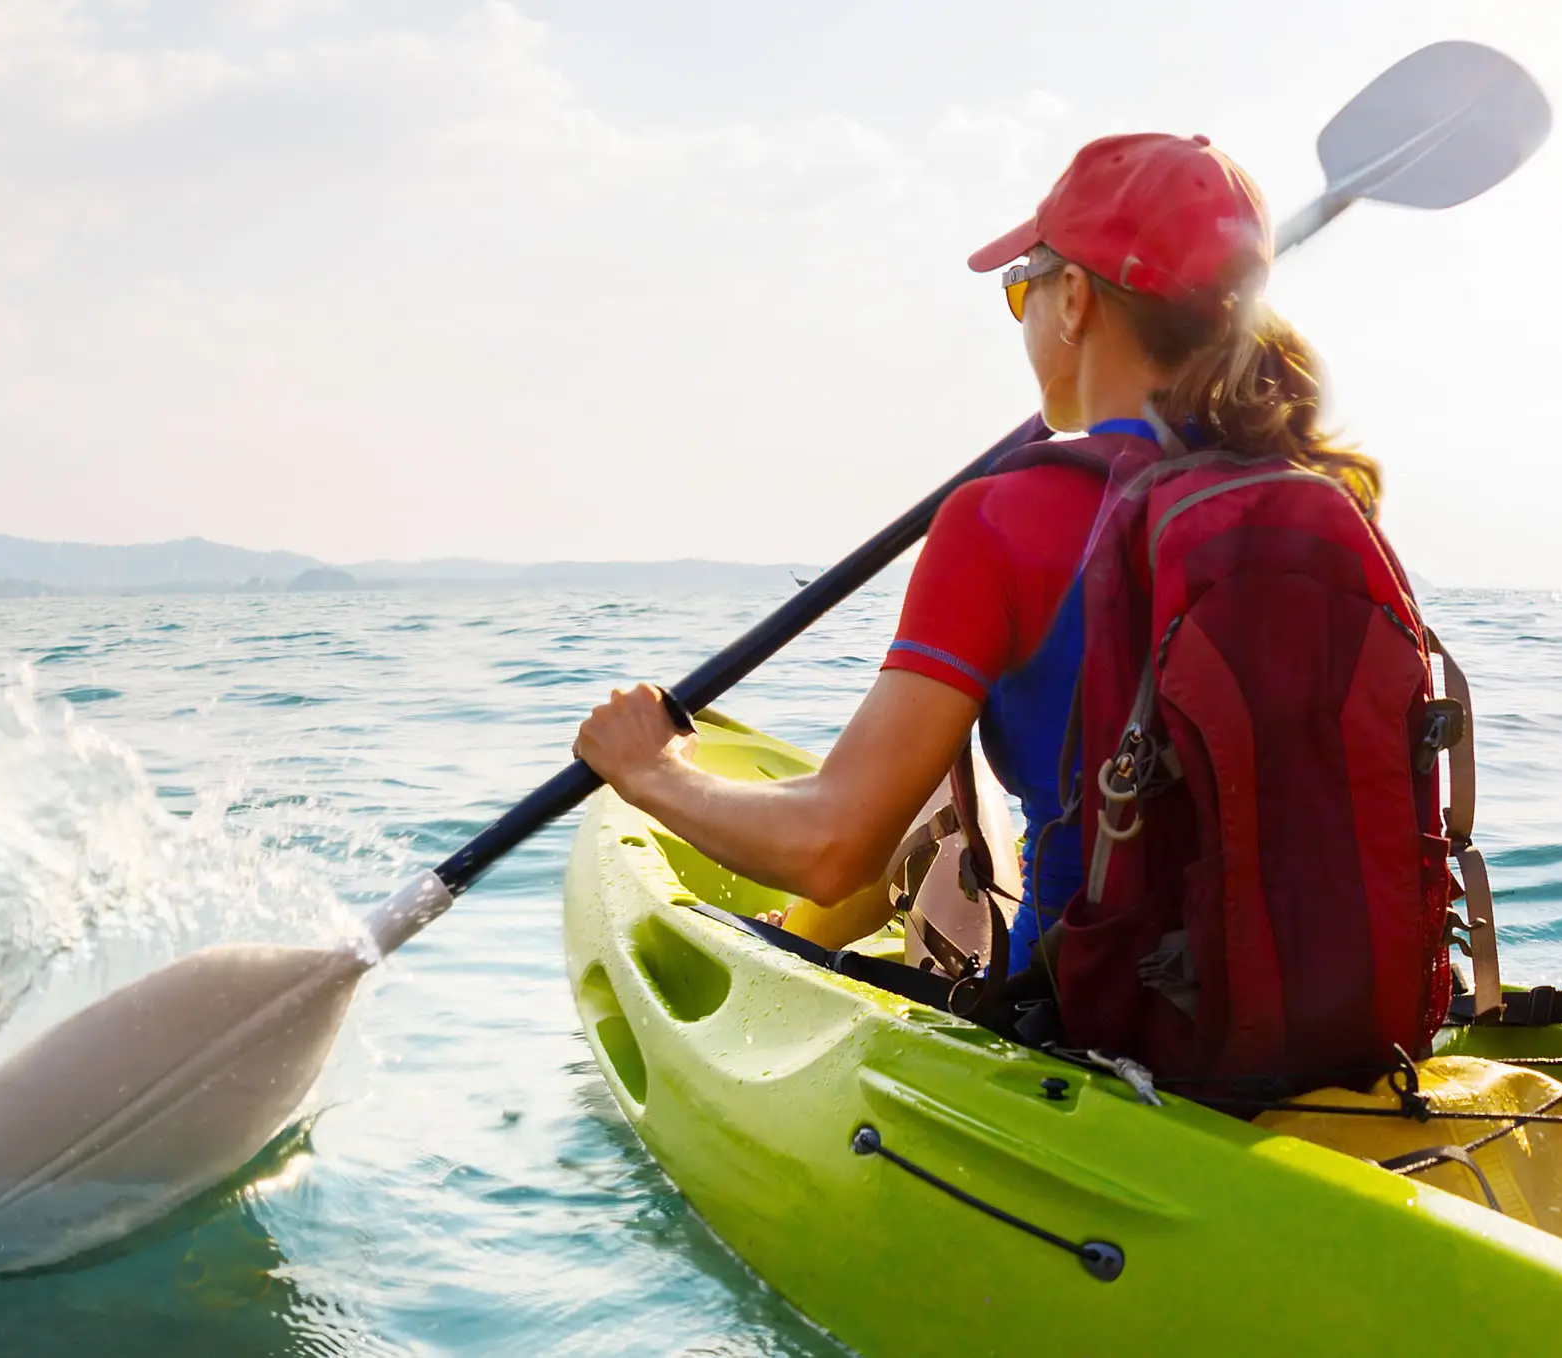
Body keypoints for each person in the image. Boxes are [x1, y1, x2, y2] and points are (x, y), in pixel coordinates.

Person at [574, 132, 1417, 1068]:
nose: (1023, 314)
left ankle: (790, 943)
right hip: (1338, 1030)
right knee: (949, 784)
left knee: (918, 797)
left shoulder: (1003, 516)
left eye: (1023, 286)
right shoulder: (1316, 500)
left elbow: (833, 848)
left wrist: (653, 772)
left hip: (1091, 1030)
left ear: (1075, 298)